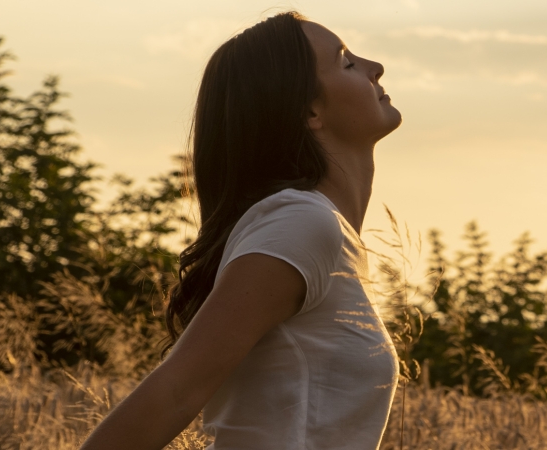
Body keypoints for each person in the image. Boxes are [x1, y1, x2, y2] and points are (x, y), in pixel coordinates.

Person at [81, 11, 403, 449]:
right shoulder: (303, 222)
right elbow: (178, 390)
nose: (374, 67)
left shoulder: (325, 231)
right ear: (310, 110)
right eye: (347, 63)